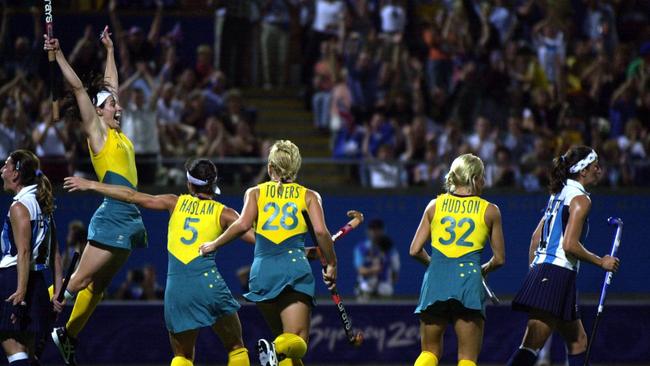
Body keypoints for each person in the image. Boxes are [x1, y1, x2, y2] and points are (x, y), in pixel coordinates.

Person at [63, 158, 252, 366]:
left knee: (183, 357)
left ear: (189, 184)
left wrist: (91, 184)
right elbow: (255, 238)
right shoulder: (225, 213)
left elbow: (130, 196)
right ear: (213, 184)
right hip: (209, 283)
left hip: (178, 289)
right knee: (236, 348)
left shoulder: (174, 202)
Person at [44, 27, 148, 366]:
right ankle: (29, 309)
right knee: (75, 284)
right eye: (112, 104)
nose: (118, 106)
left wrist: (110, 51)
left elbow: (111, 85)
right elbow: (78, 88)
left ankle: (67, 335)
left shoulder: (117, 130)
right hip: (114, 215)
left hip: (129, 218)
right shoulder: (98, 131)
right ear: (99, 110)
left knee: (96, 289)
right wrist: (58, 54)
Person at [199, 140, 337, 366]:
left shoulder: (254, 192)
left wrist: (214, 244)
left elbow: (242, 225)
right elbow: (321, 231)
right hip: (294, 272)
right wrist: (331, 263)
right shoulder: (309, 196)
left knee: (285, 351)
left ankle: (275, 349)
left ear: (270, 168)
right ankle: (274, 348)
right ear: (297, 167)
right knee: (296, 342)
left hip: (262, 273)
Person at [506, 146, 620, 366]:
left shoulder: (558, 193)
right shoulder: (581, 199)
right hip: (556, 273)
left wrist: (537, 272)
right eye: (594, 165)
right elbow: (569, 245)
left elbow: (535, 238)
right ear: (582, 171)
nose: (599, 169)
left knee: (578, 341)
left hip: (549, 272)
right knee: (531, 346)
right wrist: (601, 262)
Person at [409, 153, 505, 366]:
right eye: (482, 176)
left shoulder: (434, 205)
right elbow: (499, 259)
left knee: (429, 352)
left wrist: (436, 265)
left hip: (436, 279)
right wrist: (483, 270)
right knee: (467, 359)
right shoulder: (490, 210)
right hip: (469, 281)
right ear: (475, 178)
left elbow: (415, 250)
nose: (485, 181)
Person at [0, 150, 63, 366]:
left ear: (16, 173)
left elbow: (24, 252)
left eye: (6, 166)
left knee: (13, 349)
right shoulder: (44, 206)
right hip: (37, 282)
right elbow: (56, 255)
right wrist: (57, 292)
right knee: (27, 352)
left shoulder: (19, 207)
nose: (1, 171)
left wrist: (20, 291)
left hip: (14, 280)